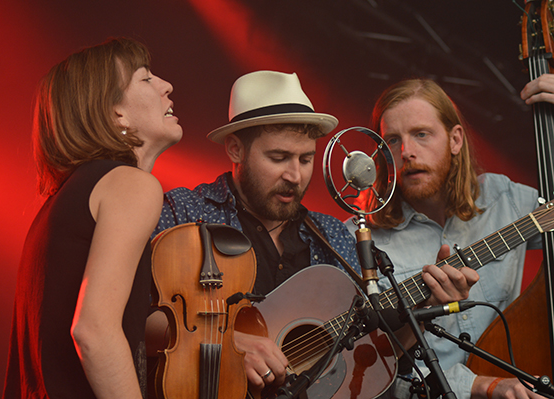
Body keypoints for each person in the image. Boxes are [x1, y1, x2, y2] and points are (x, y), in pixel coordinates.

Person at [149, 70, 474, 397]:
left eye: (306, 159)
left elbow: (371, 356)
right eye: (279, 157)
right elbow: (131, 320)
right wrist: (227, 343)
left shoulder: (331, 235)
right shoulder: (185, 213)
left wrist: (421, 309)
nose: (295, 175)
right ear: (235, 149)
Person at [2, 37, 182, 399]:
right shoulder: (132, 185)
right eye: (145, 79)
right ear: (117, 113)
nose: (167, 86)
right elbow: (94, 330)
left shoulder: (62, 201)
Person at [347, 78, 542, 399]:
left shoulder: (506, 198)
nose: (407, 152)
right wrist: (480, 386)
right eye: (392, 140)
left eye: (421, 134)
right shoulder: (360, 240)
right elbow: (366, 371)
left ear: (455, 139)